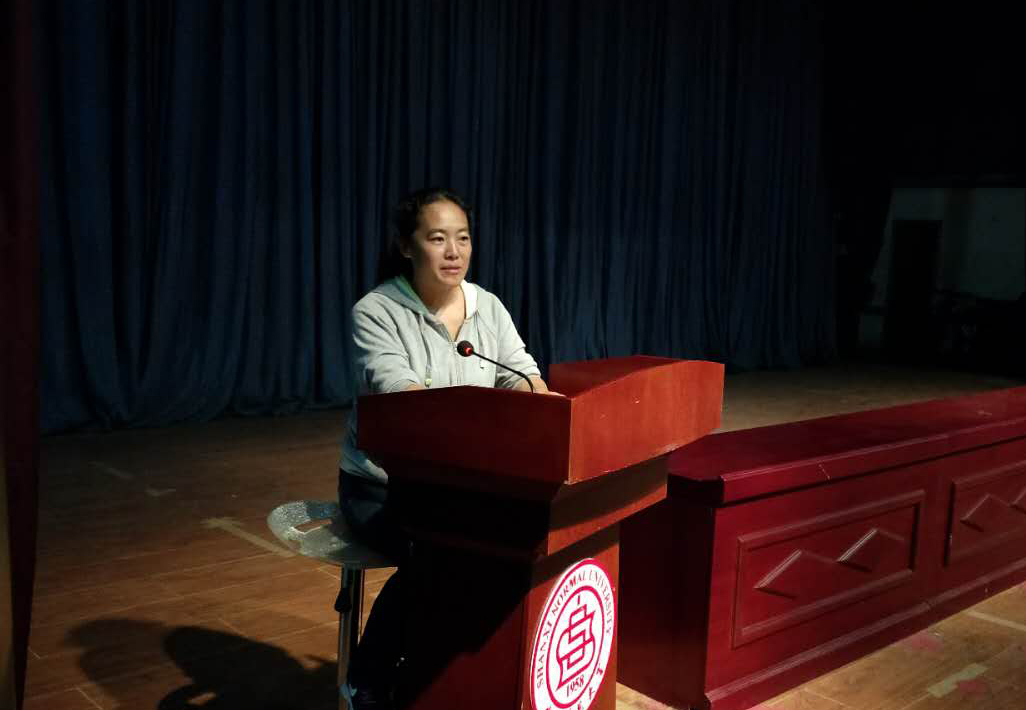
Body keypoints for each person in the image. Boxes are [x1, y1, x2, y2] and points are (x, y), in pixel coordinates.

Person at [338, 187, 557, 709]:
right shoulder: (377, 311)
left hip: (466, 485)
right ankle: (368, 679)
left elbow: (521, 374)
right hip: (382, 487)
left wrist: (537, 396)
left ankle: (456, 673)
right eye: (437, 239)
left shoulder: (488, 307)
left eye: (463, 238)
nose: (454, 252)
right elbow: (401, 396)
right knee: (444, 553)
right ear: (407, 246)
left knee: (516, 544)